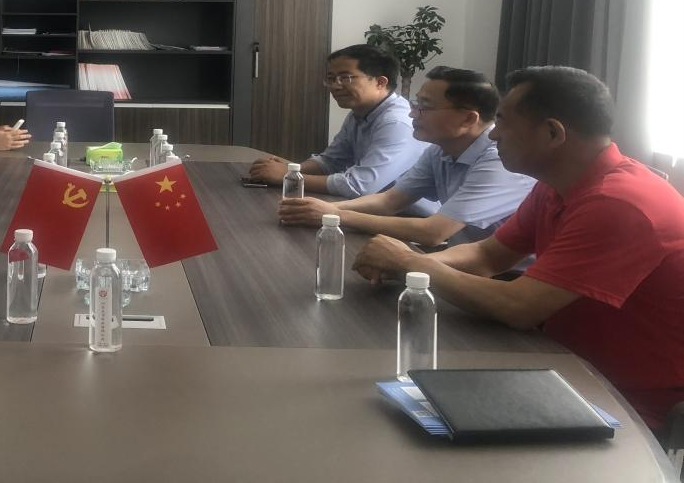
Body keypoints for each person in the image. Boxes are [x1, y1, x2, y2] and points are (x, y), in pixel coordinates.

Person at [352, 66, 684, 432]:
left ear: (553, 133)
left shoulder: (619, 202)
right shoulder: (557, 183)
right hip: (560, 364)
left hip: (624, 399)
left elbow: (520, 307)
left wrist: (409, 263)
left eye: (503, 122)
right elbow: (487, 256)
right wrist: (409, 266)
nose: (493, 134)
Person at [278, 66, 535, 247]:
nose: (412, 114)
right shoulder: (439, 149)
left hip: (506, 277)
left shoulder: (500, 160)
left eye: (425, 107)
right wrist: (322, 209)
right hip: (461, 258)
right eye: (416, 104)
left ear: (468, 119)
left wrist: (334, 215)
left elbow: (434, 232)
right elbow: (389, 201)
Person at [250, 44, 430, 204]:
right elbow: (331, 161)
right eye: (331, 78)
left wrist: (288, 177)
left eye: (346, 78)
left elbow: (360, 186)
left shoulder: (397, 123)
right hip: (372, 208)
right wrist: (292, 169)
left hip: (411, 219)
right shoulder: (359, 112)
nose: (335, 86)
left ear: (380, 82)